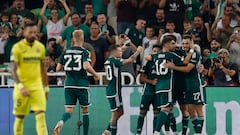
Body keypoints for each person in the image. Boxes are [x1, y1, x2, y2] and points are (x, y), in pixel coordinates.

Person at [53, 30, 99, 135]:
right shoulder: (84, 52)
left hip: (68, 84)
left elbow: (58, 68)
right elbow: (86, 66)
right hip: (81, 84)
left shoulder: (66, 51)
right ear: (82, 39)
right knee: (85, 112)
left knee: (69, 111)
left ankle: (61, 122)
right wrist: (96, 74)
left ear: (73, 39)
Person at [11, 22, 49, 135]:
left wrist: (46, 88)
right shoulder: (17, 47)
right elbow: (13, 69)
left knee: (41, 116)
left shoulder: (40, 47)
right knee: (19, 117)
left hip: (37, 87)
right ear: (24, 32)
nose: (33, 34)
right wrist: (21, 86)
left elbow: (43, 69)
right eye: (30, 32)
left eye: (35, 32)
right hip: (21, 87)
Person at [164, 35, 207, 135]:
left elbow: (187, 69)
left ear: (192, 42)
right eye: (183, 43)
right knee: (190, 111)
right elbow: (184, 61)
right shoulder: (184, 54)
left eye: (187, 43)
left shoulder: (195, 53)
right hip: (186, 85)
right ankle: (193, 131)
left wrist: (173, 67)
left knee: (198, 109)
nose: (185, 45)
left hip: (196, 84)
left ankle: (198, 133)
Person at [145, 36, 184, 135]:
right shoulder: (171, 55)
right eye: (173, 43)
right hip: (168, 86)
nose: (175, 45)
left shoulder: (156, 55)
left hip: (158, 87)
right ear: (166, 45)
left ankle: (171, 132)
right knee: (165, 109)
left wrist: (151, 56)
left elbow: (147, 57)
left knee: (168, 109)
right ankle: (157, 132)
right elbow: (184, 62)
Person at [102, 44, 143, 135]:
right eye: (120, 51)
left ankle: (107, 130)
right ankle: (110, 132)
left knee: (120, 111)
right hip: (114, 91)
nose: (121, 53)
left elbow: (118, 50)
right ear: (114, 52)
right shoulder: (114, 61)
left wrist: (123, 46)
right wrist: (138, 52)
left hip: (114, 90)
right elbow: (130, 60)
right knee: (115, 113)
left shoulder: (108, 61)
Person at [136, 45, 161, 135]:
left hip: (158, 91)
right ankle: (138, 132)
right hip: (148, 91)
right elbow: (141, 78)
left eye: (157, 51)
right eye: (154, 51)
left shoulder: (163, 63)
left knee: (157, 113)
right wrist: (151, 81)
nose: (155, 53)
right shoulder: (148, 63)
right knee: (142, 112)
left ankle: (155, 132)